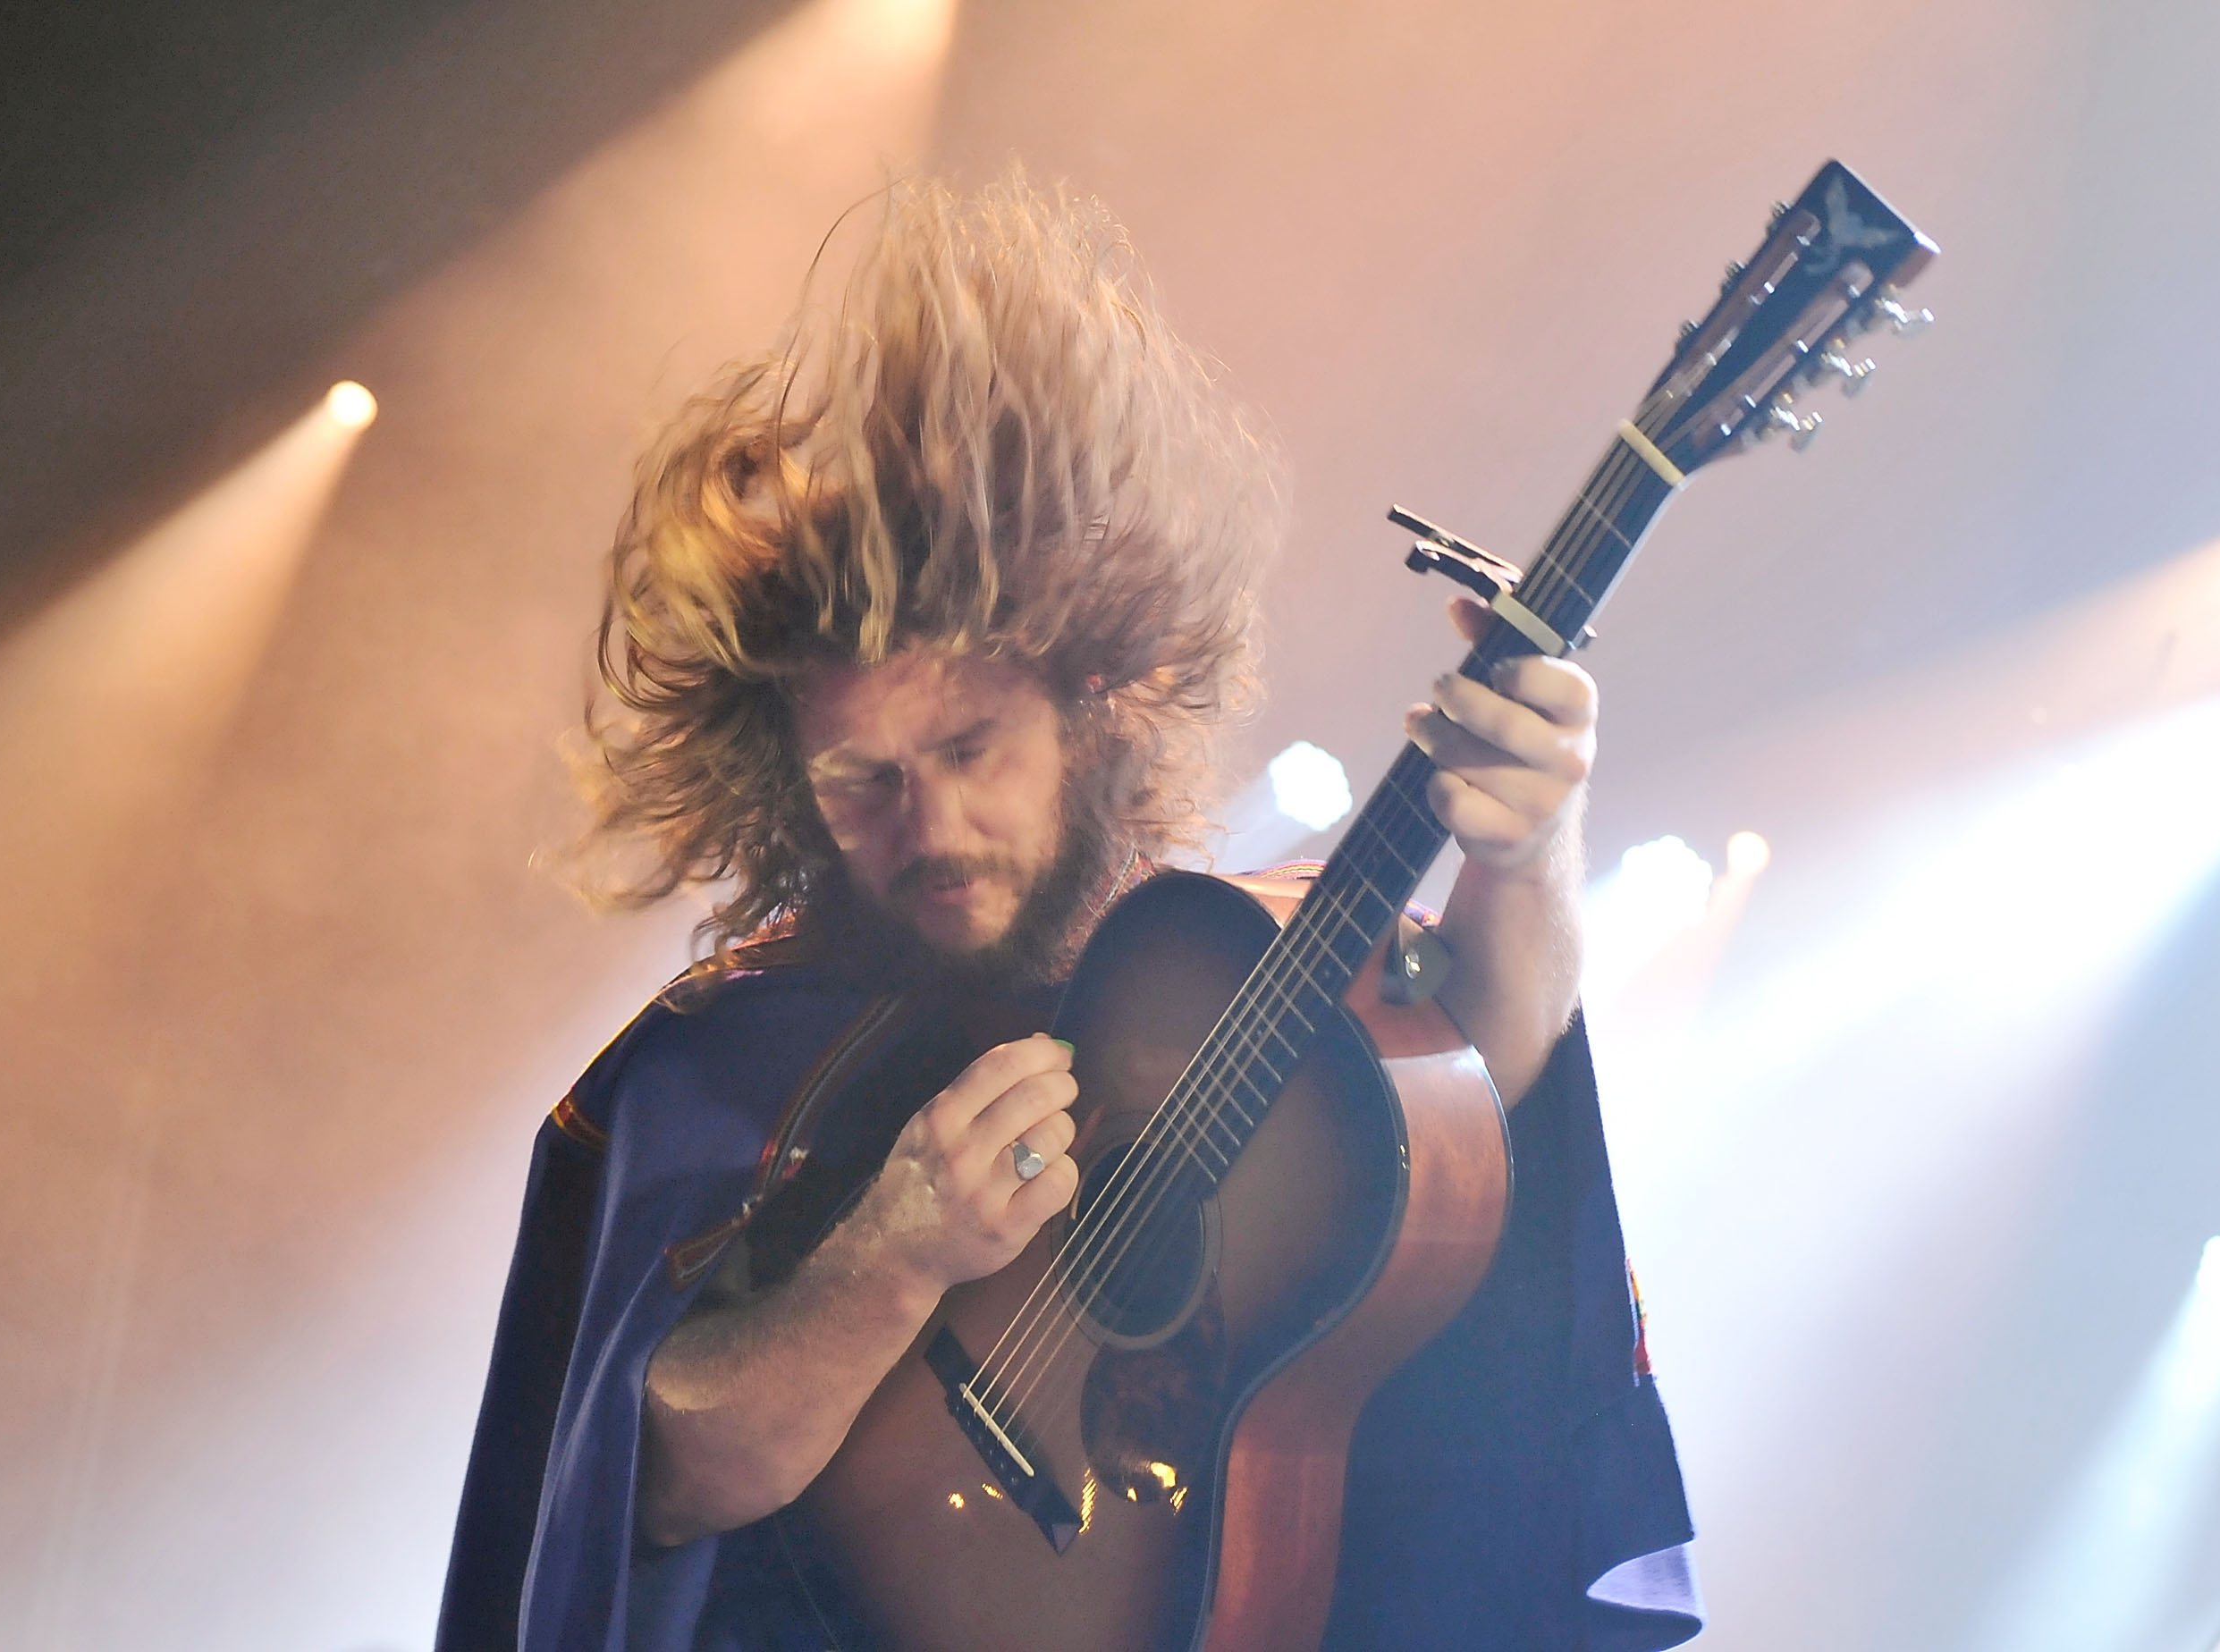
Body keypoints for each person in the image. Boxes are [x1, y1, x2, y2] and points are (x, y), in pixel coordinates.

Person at [436, 172, 1700, 1652]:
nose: (932, 829)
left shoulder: (1238, 973)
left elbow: (1490, 1095)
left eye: (971, 751)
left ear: (1088, 705)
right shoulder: (713, 1070)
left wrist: (1530, 846)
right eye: (863, 782)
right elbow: (631, 1493)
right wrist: (896, 1249)